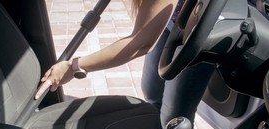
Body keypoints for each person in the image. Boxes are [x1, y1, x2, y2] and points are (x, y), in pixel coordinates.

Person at [34, 0, 178, 99]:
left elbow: (140, 44)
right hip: (171, 26)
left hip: (193, 39)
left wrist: (74, 67)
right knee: (153, 94)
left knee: (174, 114)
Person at [141, 0, 214, 129]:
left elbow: (136, 44)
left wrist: (85, 65)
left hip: (198, 30)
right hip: (169, 22)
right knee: (151, 93)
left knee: (174, 118)